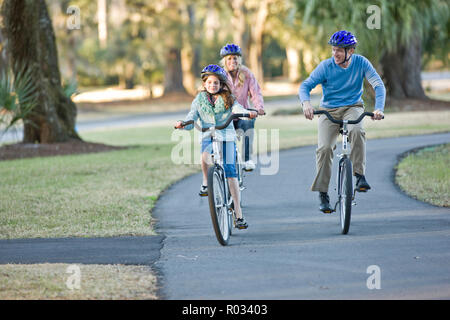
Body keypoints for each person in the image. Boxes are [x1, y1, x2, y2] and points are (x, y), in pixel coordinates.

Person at [299, 30, 385, 213]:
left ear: (351, 51)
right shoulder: (326, 66)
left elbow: (378, 84)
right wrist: (306, 103)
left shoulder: (361, 63)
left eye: (339, 50)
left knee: (356, 131)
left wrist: (379, 108)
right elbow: (305, 85)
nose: (335, 54)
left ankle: (359, 175)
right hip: (328, 110)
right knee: (324, 149)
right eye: (333, 50)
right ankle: (323, 193)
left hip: (353, 107)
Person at [175, 64, 257, 229]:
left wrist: (246, 113)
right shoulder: (199, 100)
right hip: (208, 135)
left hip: (226, 136)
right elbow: (192, 117)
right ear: (204, 84)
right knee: (205, 156)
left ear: (221, 84)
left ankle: (238, 212)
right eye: (210, 82)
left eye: (216, 83)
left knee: (230, 172)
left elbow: (237, 108)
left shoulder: (229, 98)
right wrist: (184, 124)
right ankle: (206, 181)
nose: (213, 85)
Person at [219, 43, 265, 172]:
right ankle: (220, 161)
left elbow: (255, 92)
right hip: (225, 115)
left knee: (248, 123)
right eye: (229, 58)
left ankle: (247, 159)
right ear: (225, 61)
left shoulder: (246, 73)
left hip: (243, 113)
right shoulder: (220, 75)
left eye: (235, 58)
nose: (232, 61)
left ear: (239, 59)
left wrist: (259, 107)